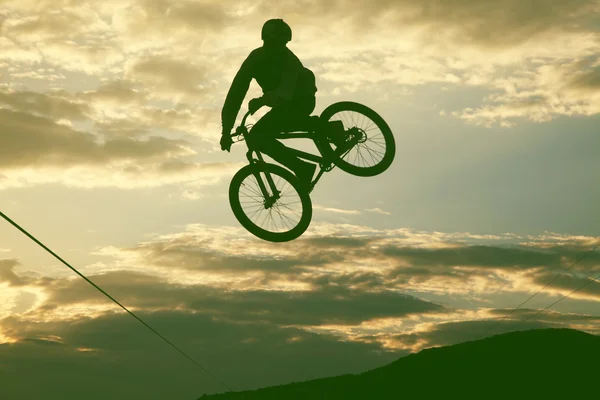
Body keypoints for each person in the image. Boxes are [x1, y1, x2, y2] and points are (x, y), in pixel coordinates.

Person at [219, 18, 319, 188]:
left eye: (282, 43)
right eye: (275, 43)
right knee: (263, 132)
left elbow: (285, 92)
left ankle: (302, 168)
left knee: (258, 136)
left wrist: (262, 100)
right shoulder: (255, 58)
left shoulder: (289, 60)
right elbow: (236, 93)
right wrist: (226, 130)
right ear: (265, 40)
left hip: (301, 101)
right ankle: (324, 132)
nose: (279, 48)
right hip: (283, 106)